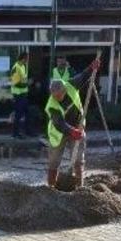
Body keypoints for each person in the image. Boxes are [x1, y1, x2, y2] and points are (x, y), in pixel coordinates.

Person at [44, 57, 101, 188]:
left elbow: (83, 76)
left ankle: (79, 187)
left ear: (64, 90)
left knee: (78, 160)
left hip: (77, 126)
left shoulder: (71, 85)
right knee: (53, 161)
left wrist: (92, 68)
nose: (56, 98)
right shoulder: (52, 105)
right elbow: (59, 123)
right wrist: (71, 131)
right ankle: (50, 187)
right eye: (54, 96)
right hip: (59, 133)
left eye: (58, 96)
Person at [10, 52, 31, 138]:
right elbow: (15, 83)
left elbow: (23, 79)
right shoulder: (16, 67)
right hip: (18, 95)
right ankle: (15, 134)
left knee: (27, 113)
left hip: (23, 93)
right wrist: (27, 84)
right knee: (18, 114)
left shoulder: (22, 66)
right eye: (27, 58)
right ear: (23, 58)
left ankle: (27, 131)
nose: (27, 60)